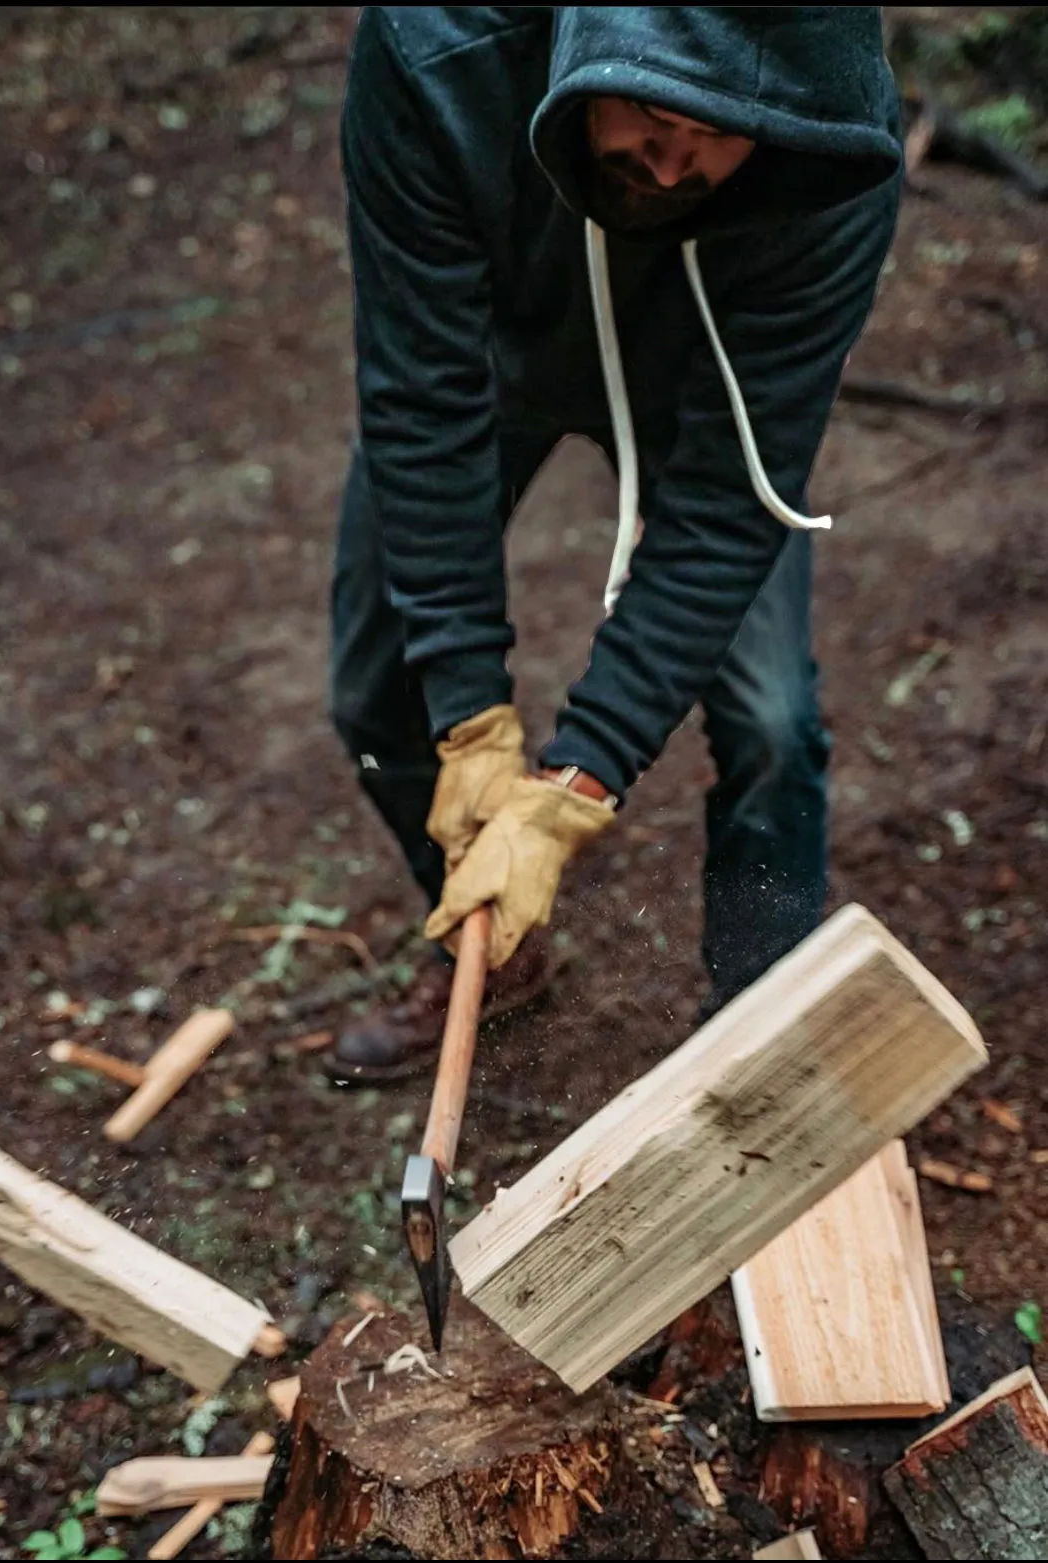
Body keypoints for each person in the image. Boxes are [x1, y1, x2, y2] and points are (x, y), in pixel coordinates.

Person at [325, 8, 903, 1082]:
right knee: (375, 693)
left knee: (771, 720)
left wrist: (579, 781)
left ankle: (758, 1030)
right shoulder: (437, 46)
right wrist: (470, 717)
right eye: (646, 109)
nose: (674, 160)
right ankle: (492, 939)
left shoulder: (832, 146)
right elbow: (421, 397)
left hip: (707, 381)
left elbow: (731, 506)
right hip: (486, 354)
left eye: (720, 134)